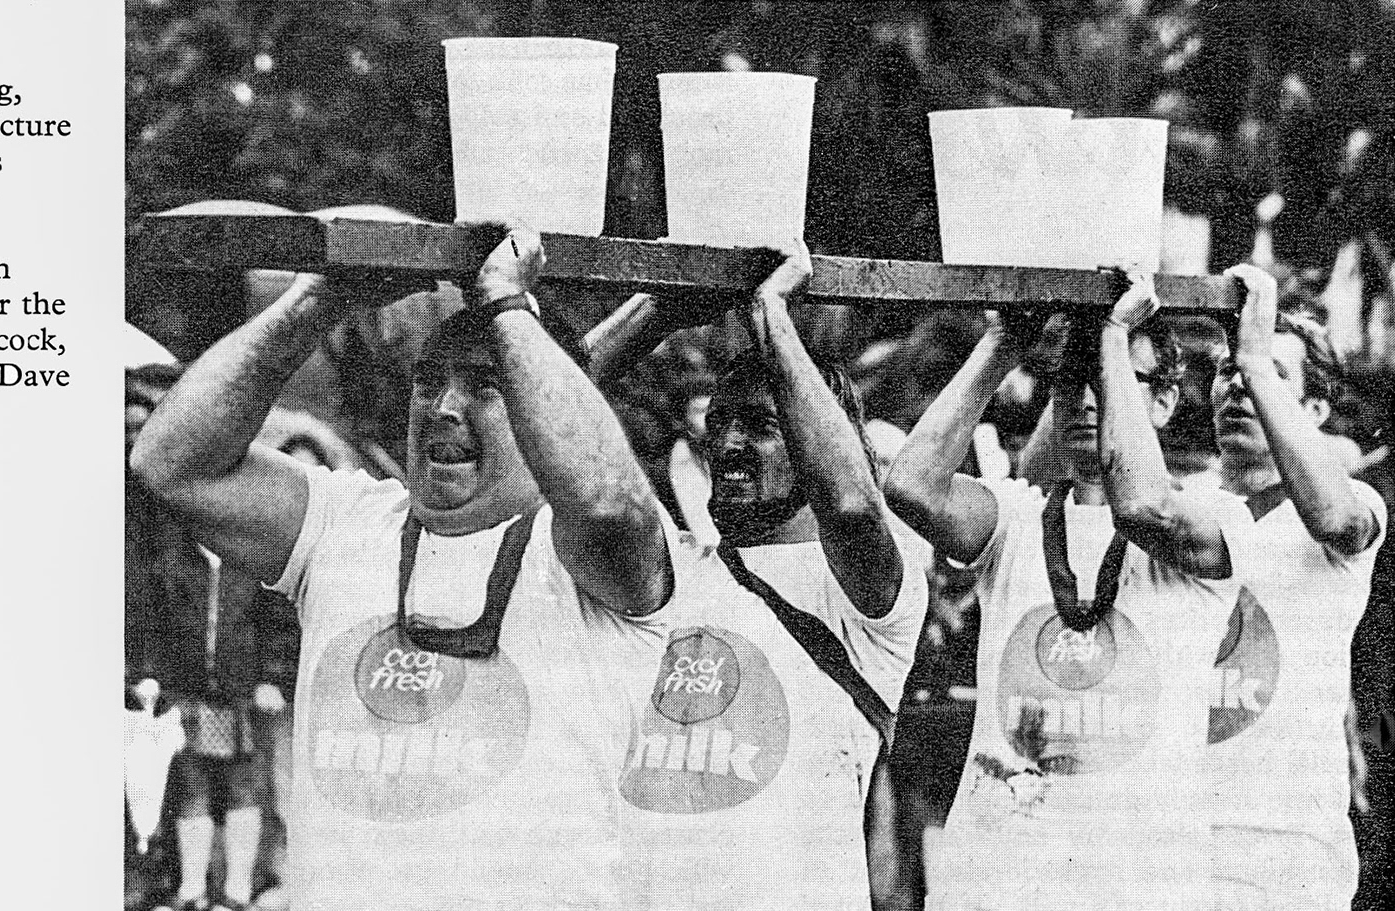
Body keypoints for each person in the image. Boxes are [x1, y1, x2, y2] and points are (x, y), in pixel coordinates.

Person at [128, 224, 672, 911]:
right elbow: (168, 463)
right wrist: (321, 302)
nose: (443, 407)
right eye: (428, 381)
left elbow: (606, 499)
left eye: (485, 385)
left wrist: (508, 304)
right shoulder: (349, 521)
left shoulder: (584, 554)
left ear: (540, 406)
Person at [883, 278, 1251, 910]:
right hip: (999, 874)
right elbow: (911, 486)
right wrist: (1004, 341)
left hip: (1136, 881)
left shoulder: (1219, 515)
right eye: (1068, 382)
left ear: (1163, 402)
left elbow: (1141, 508)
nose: (1083, 398)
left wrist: (1109, 332)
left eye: (1106, 380)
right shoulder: (1016, 516)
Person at [588, 246, 926, 910]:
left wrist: (771, 314)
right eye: (720, 424)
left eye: (763, 426)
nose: (730, 445)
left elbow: (852, 504)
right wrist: (654, 314)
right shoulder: (674, 567)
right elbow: (534, 412)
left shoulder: (863, 595)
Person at [1206, 265, 1387, 911]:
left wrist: (1255, 360)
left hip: (1286, 851)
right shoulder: (1181, 505)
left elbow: (1336, 520)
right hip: (1169, 835)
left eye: (1265, 375)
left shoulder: (1356, 499)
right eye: (1225, 371)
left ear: (1311, 409)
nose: (1237, 386)